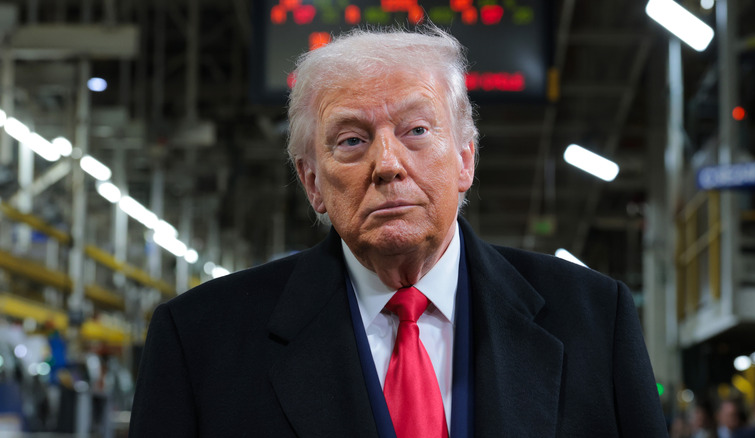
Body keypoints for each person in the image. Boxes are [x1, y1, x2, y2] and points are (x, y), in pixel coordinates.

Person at [129, 25, 667, 437]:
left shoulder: (596, 320)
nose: (387, 163)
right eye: (351, 140)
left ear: (464, 159)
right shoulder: (200, 341)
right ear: (311, 181)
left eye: (416, 130)